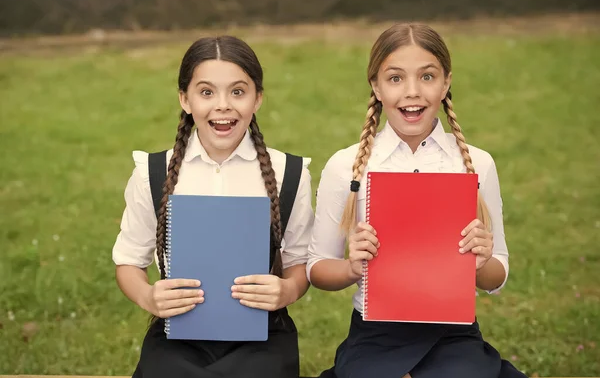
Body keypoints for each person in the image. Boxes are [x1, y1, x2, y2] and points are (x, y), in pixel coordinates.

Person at [308, 23, 527, 378]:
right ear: (376, 87)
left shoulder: (476, 163)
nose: (412, 92)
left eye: (427, 77)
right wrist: (351, 268)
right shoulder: (346, 166)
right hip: (375, 333)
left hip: (454, 334)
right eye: (395, 79)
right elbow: (317, 267)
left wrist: (482, 260)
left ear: (446, 83)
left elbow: (496, 274)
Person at [112, 35, 314, 378]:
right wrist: (149, 298)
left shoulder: (289, 173)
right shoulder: (152, 173)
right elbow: (129, 261)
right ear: (185, 99)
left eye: (238, 91)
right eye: (207, 92)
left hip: (263, 337)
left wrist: (288, 290)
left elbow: (299, 263)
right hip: (177, 335)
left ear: (258, 98)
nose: (223, 105)